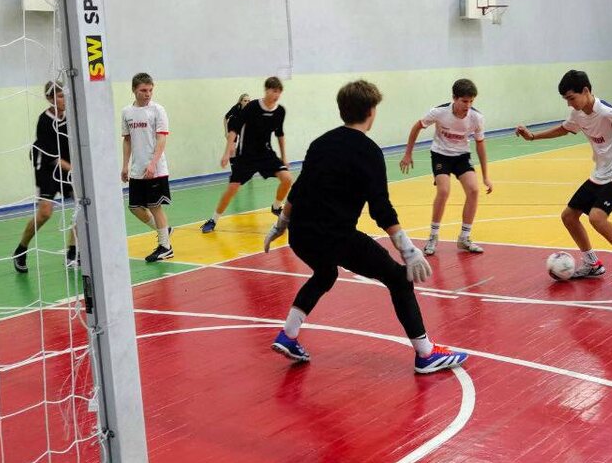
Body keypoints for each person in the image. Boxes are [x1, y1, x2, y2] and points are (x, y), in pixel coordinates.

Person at [262, 80, 468, 374]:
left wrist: (282, 223)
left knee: (325, 273)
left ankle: (288, 335)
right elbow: (380, 209)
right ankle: (425, 354)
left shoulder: (320, 143)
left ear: (342, 110)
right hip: (335, 236)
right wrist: (408, 250)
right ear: (371, 111)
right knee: (399, 280)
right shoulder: (369, 151)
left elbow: (298, 188)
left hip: (301, 234)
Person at [515, 70, 612, 293]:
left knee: (597, 217)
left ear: (585, 91)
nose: (569, 104)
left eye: (571, 98)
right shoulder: (578, 113)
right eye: (566, 99)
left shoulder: (607, 112)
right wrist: (533, 136)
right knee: (569, 216)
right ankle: (592, 264)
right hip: (601, 172)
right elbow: (564, 129)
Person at [398, 78, 492, 256]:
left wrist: (486, 176)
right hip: (440, 154)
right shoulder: (439, 112)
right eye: (464, 101)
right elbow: (417, 127)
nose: (468, 105)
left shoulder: (476, 118)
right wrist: (408, 153)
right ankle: (433, 236)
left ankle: (464, 238)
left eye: (471, 101)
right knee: (443, 190)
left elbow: (480, 144)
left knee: (473, 190)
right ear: (454, 98)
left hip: (462, 156)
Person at [202, 76, 293, 232]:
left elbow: (280, 134)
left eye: (279, 92)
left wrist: (284, 157)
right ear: (266, 90)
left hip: (265, 154)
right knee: (232, 188)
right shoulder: (252, 107)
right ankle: (213, 220)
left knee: (287, 179)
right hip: (246, 155)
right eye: (274, 91)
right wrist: (227, 152)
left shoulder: (280, 111)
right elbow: (234, 129)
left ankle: (276, 207)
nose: (276, 95)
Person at [12, 81, 77, 273]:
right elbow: (53, 158)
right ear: (49, 98)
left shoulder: (70, 118)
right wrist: (75, 170)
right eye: (60, 96)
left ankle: (72, 252)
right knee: (45, 213)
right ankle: (21, 249)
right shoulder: (45, 121)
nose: (64, 100)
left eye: (65, 95)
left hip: (67, 166)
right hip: (47, 169)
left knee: (82, 207)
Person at [121, 72, 174, 263]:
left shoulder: (158, 110)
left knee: (154, 206)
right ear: (134, 90)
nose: (148, 94)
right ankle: (164, 231)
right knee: (134, 207)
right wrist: (125, 165)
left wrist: (153, 164)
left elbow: (162, 139)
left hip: (156, 169)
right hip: (137, 169)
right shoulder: (127, 112)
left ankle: (165, 247)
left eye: (150, 90)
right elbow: (127, 140)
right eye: (143, 90)